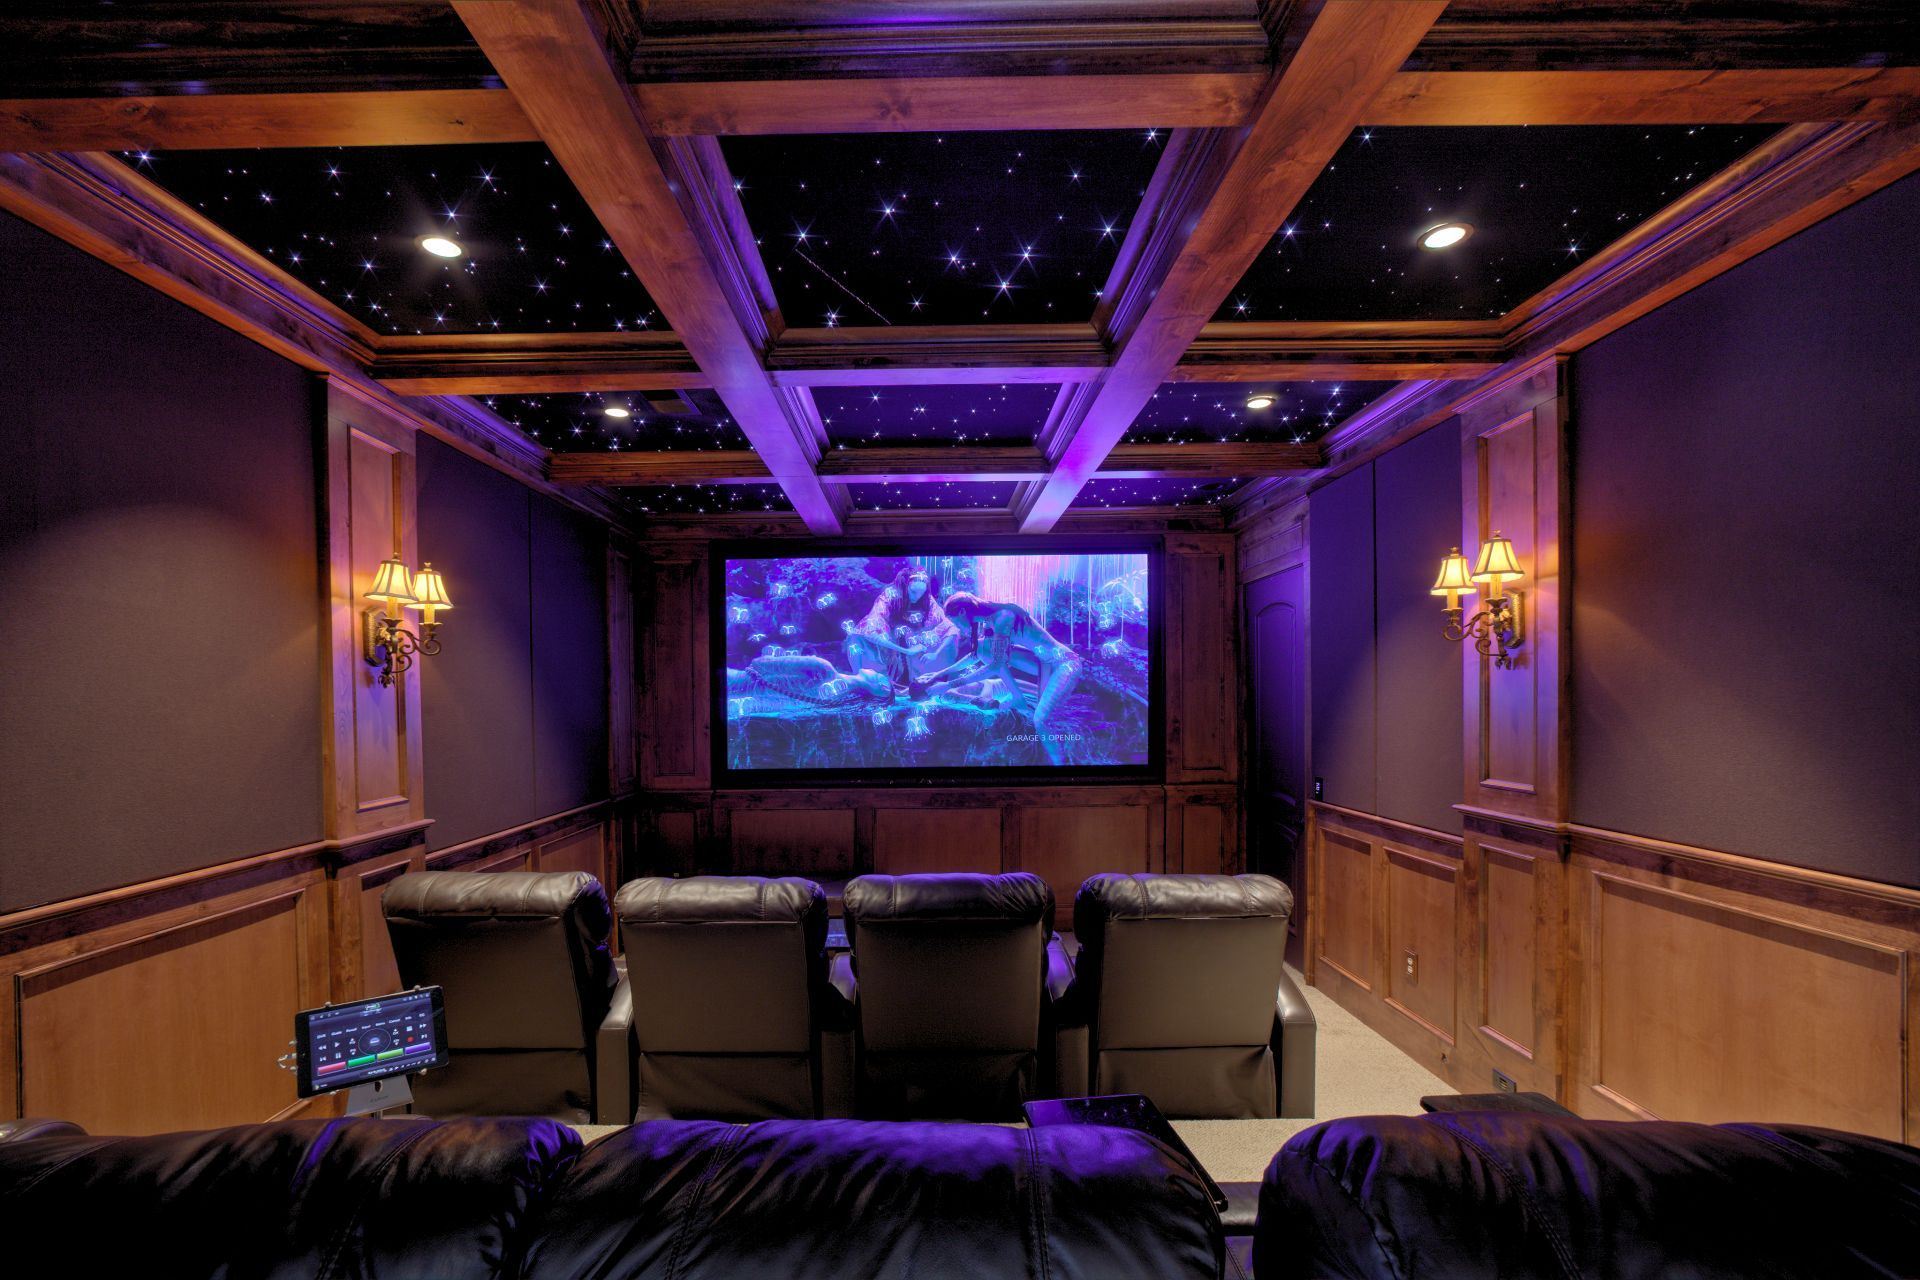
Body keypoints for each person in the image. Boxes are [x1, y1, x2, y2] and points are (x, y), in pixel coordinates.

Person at [914, 592, 1083, 764]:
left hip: (1063, 664)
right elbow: (976, 655)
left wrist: (948, 685)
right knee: (982, 647)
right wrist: (938, 674)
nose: (957, 626)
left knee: (1040, 721)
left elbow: (995, 666)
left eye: (955, 621)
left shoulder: (1003, 618)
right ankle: (1019, 698)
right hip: (1043, 665)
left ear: (962, 612)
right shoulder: (990, 622)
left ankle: (1062, 772)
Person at [847, 567, 960, 686]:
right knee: (857, 638)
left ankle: (926, 683)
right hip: (888, 643)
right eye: (913, 592)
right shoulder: (889, 596)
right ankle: (870, 684)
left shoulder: (928, 600)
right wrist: (905, 651)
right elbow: (870, 632)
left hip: (914, 641)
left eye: (922, 593)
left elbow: (950, 627)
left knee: (943, 641)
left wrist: (936, 653)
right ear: (905, 587)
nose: (917, 597)